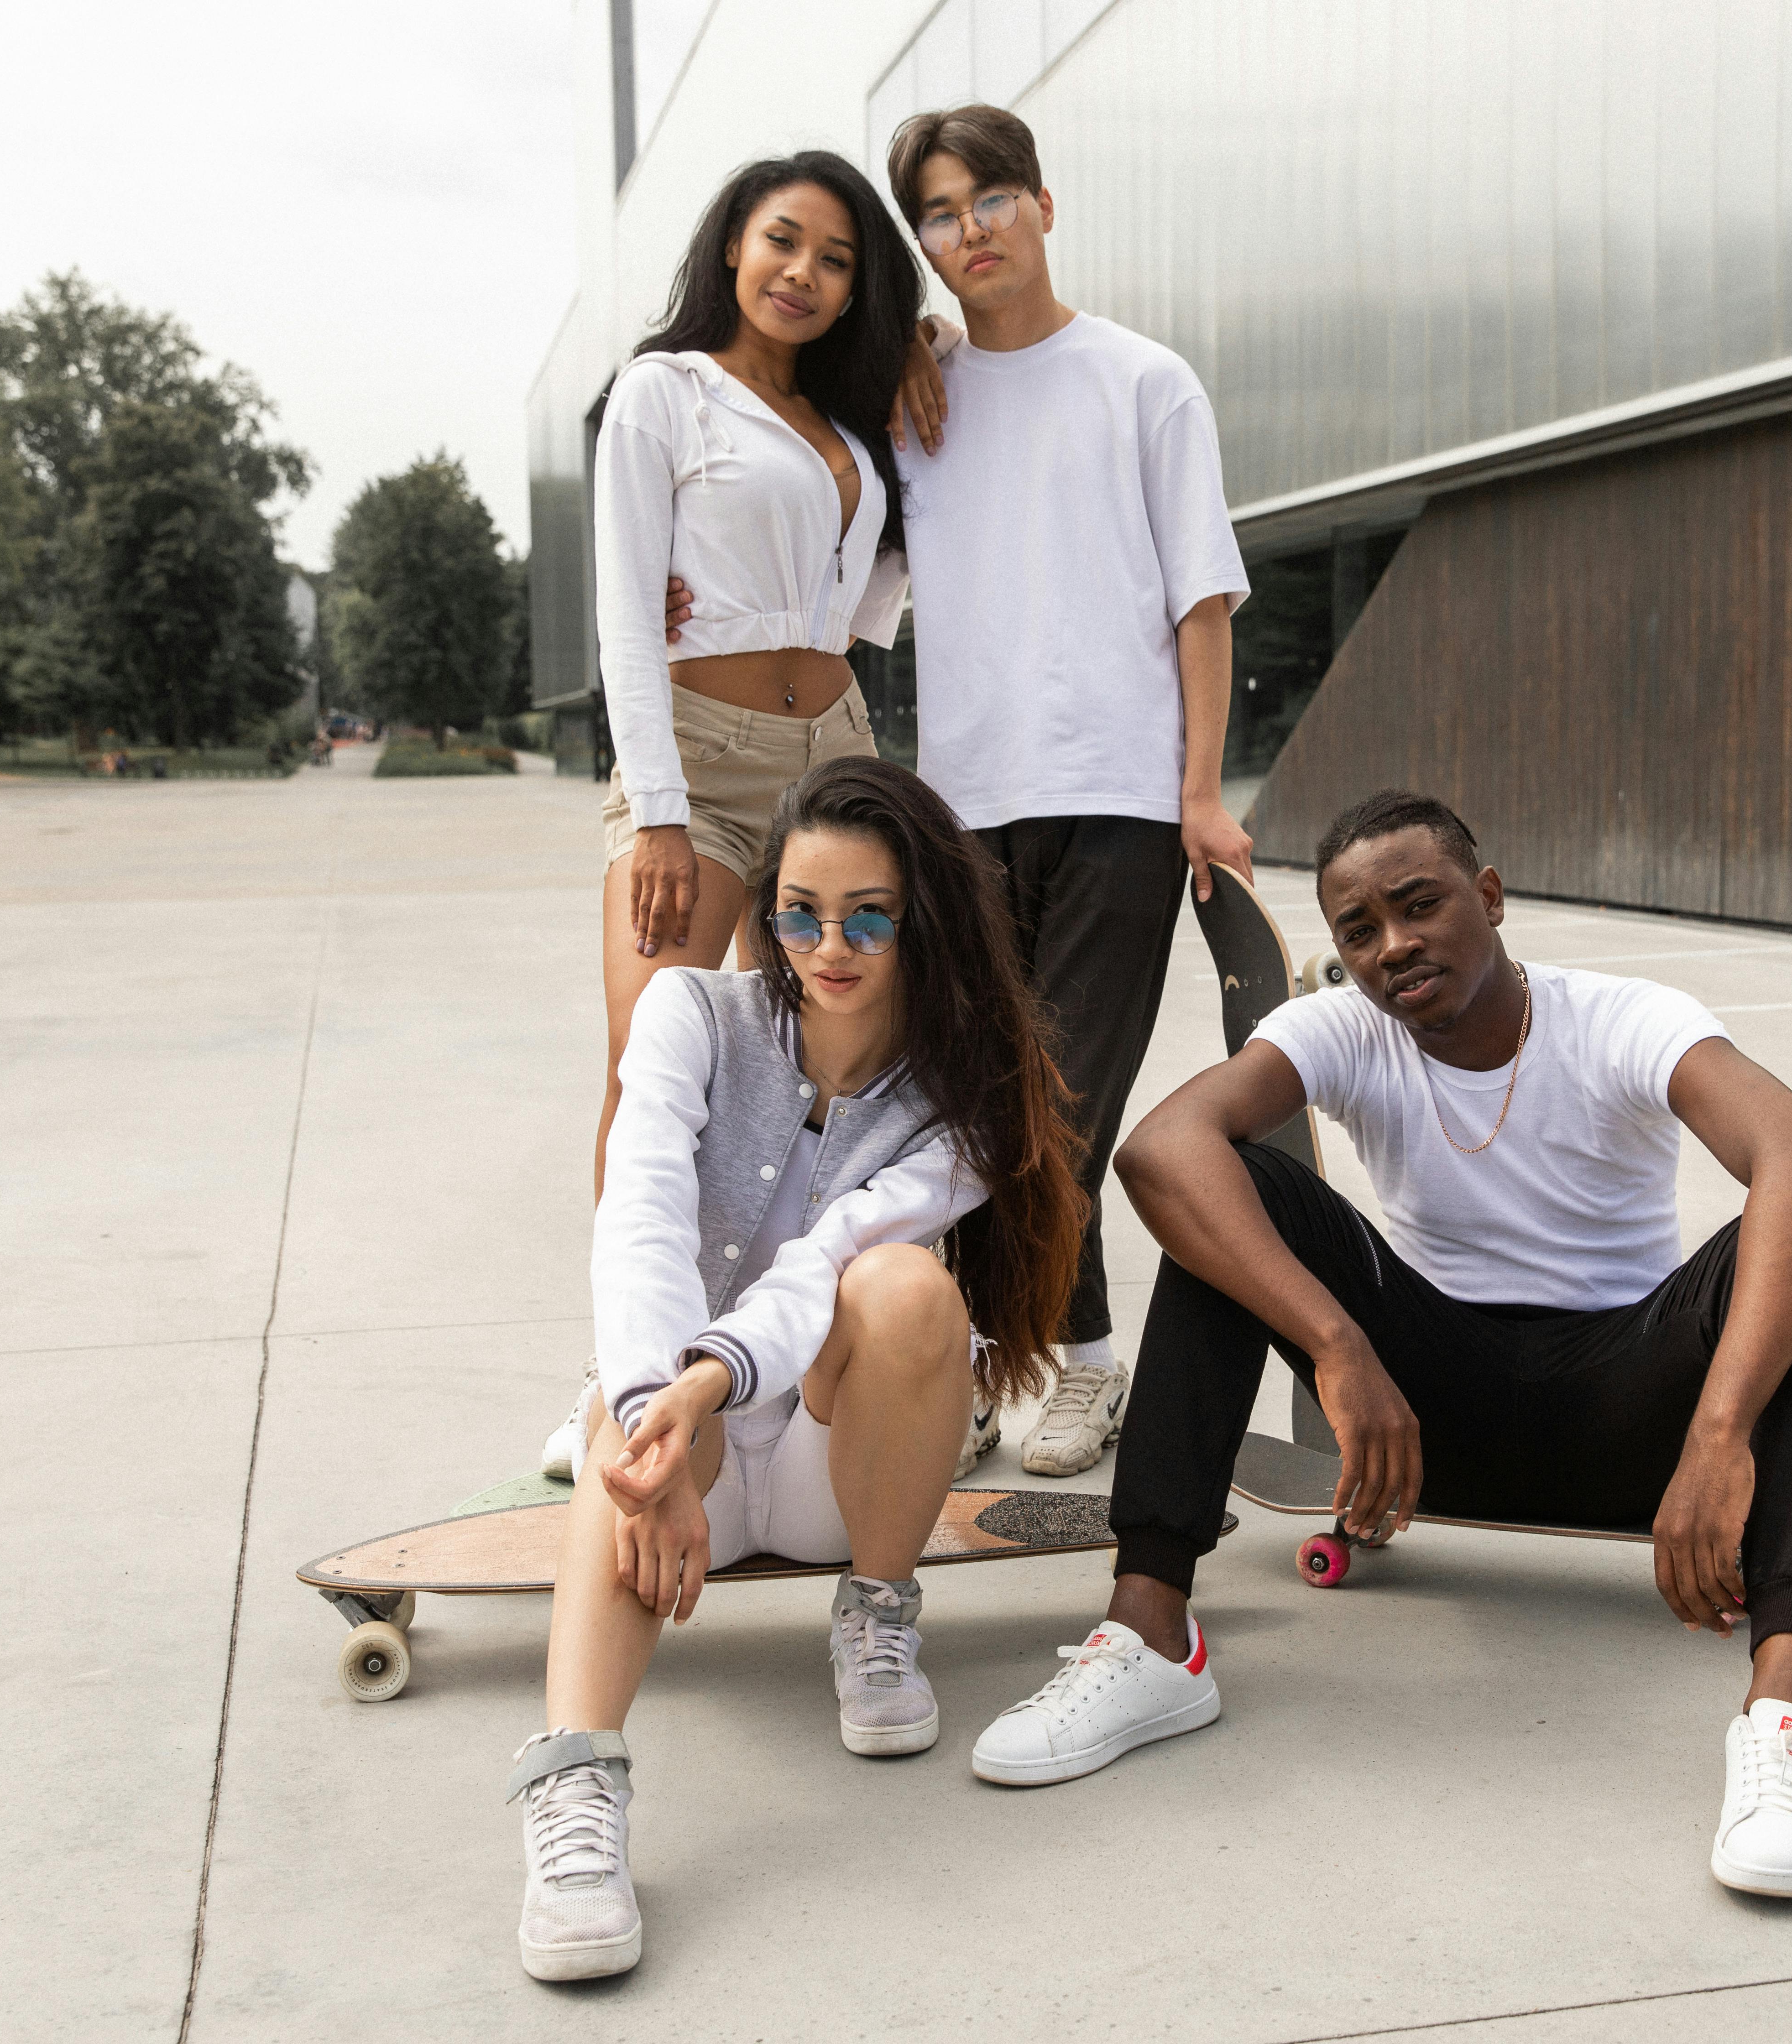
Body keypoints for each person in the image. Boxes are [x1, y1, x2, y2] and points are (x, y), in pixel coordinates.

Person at [970, 790, 1792, 1901]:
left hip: (1639, 1410)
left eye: (1419, 905)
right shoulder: (1347, 1027)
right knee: (1232, 1190)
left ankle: (1786, 1710)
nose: (1392, 945)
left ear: (1488, 899)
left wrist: (1723, 1431)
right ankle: (1150, 1633)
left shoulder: (1624, 1018)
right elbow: (1161, 1151)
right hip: (1423, 1411)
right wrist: (1338, 1345)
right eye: (1358, 930)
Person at [509, 757, 1087, 1982]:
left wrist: (706, 1380)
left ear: (922, 914)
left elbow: (824, 1266)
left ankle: (878, 1616)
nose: (832, 944)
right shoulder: (693, 1016)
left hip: (840, 1471)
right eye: (799, 912)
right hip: (690, 1473)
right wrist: (653, 1413)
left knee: (909, 1290)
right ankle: (575, 1793)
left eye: (870, 913)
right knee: (636, 1421)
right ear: (768, 910)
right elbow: (643, 1216)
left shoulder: (964, 1100)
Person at [536, 148, 951, 1481]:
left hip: (835, 751)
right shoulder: (663, 394)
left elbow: (869, 601)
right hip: (699, 767)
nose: (805, 276)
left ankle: (802, 1354)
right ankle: (626, 1372)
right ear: (732, 246)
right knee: (648, 1059)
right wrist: (656, 807)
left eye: (837, 260)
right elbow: (622, 607)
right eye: (785, 243)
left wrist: (924, 339)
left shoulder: (848, 421)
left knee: (838, 1064)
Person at [881, 103, 1255, 1478]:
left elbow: (1202, 603)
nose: (966, 229)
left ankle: (1069, 1361)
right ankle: (1023, 1349)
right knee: (986, 1100)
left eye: (987, 198)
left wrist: (1201, 793)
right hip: (962, 808)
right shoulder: (919, 397)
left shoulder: (1146, 381)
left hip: (1118, 802)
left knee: (1064, 1111)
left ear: (1044, 203)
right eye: (936, 212)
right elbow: (853, 573)